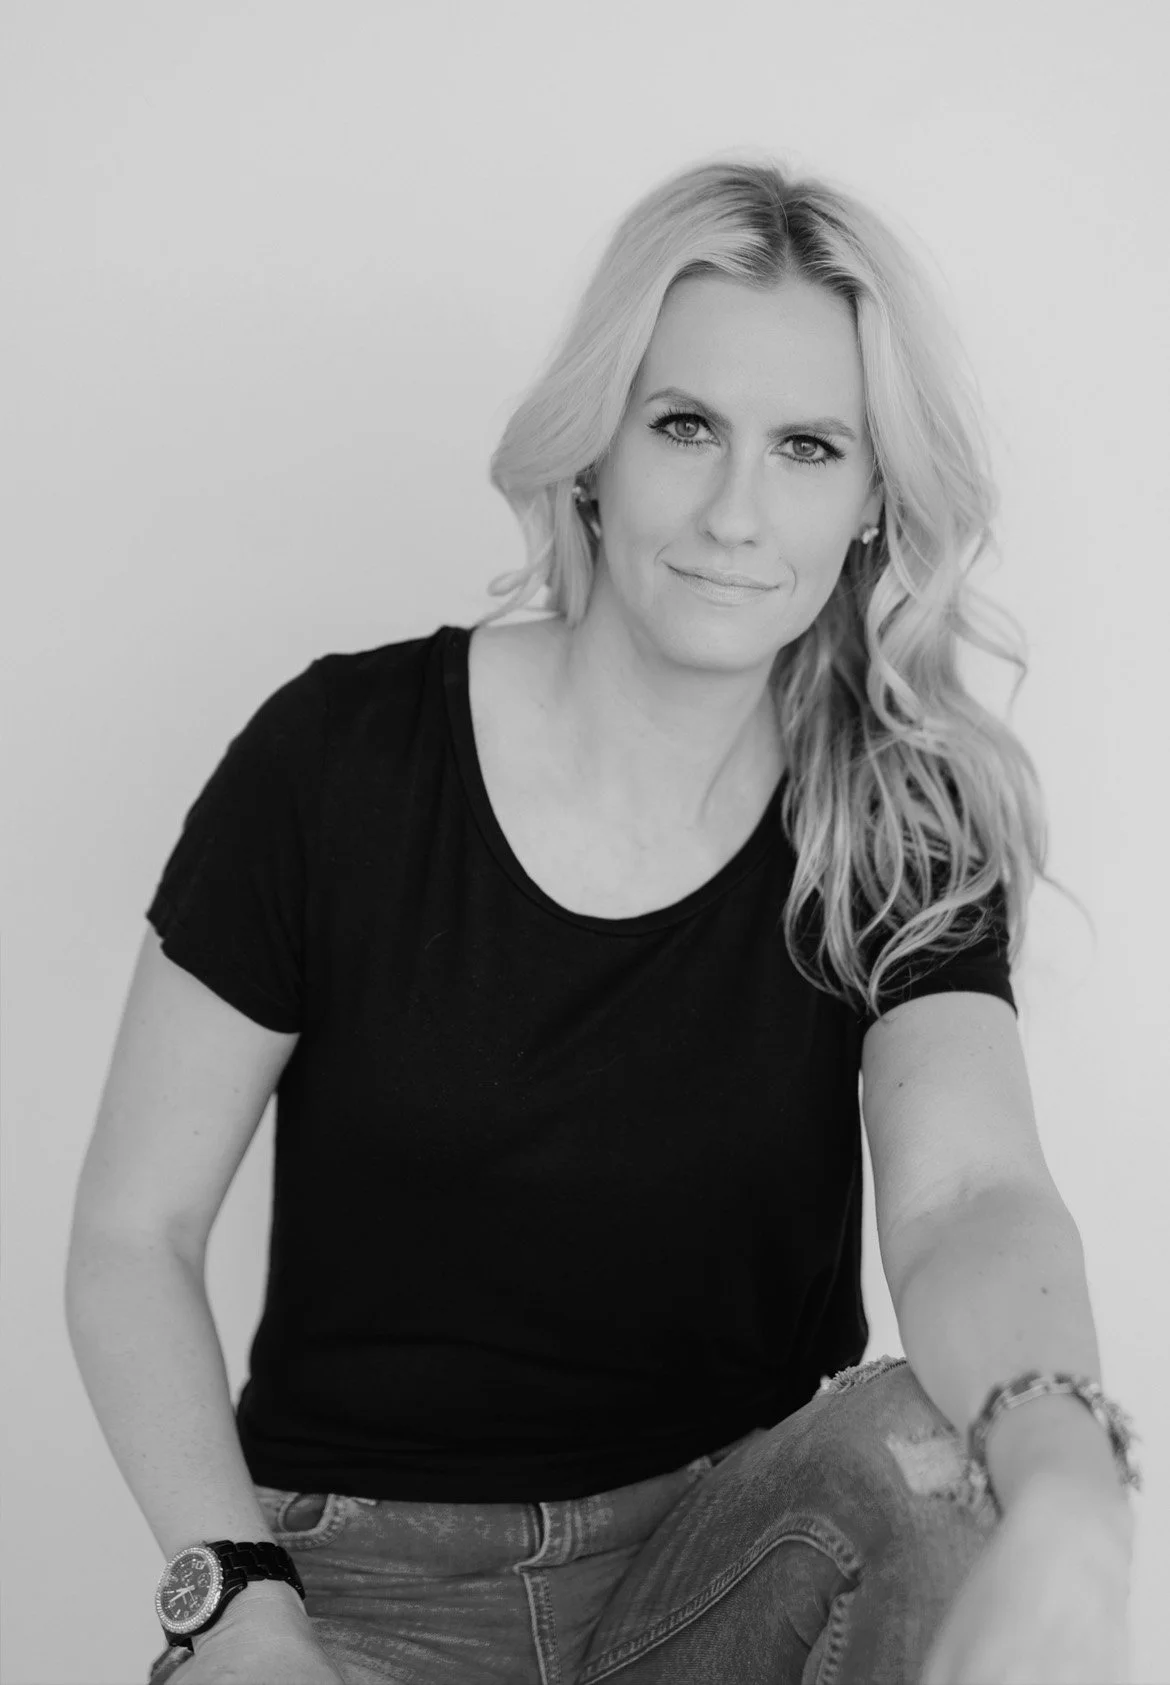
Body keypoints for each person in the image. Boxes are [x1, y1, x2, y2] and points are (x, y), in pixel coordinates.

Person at [65, 154, 1140, 1685]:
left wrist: (1070, 1494)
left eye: (808, 446)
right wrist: (237, 1607)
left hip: (732, 1566)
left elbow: (967, 1191)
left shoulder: (891, 820)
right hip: (359, 1594)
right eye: (686, 425)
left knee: (932, 1452)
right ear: (596, 449)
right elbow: (132, 1234)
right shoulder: (336, 762)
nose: (732, 510)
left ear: (870, 507)